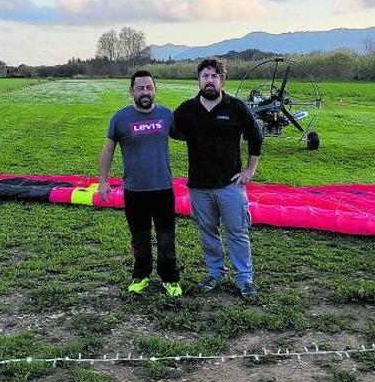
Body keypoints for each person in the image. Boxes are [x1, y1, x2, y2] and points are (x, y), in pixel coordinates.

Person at [172, 58, 263, 300]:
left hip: (230, 186)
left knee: (237, 232)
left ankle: (245, 279)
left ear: (222, 80)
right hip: (199, 186)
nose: (209, 80)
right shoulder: (187, 110)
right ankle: (215, 272)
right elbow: (170, 130)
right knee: (208, 231)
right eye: (205, 76)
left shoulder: (236, 107)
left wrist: (250, 170)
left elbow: (256, 136)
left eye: (214, 76)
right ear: (198, 80)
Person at [98, 70, 181, 297]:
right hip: (135, 191)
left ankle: (170, 278)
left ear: (155, 90)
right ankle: (141, 275)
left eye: (149, 87)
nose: (145, 92)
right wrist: (103, 181)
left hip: (163, 189)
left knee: (166, 237)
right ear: (132, 91)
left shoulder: (166, 115)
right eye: (140, 88)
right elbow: (107, 151)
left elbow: (188, 135)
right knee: (140, 237)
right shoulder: (120, 118)